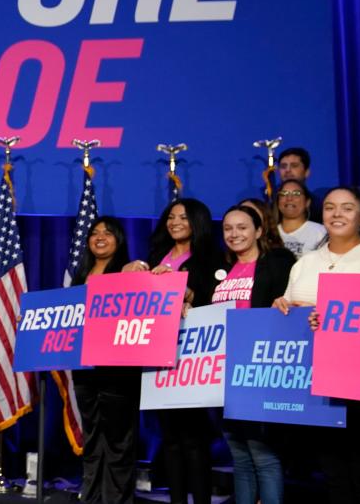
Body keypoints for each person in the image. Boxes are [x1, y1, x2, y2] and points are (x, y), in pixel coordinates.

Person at [276, 186, 360, 504]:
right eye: (330, 207)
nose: (337, 214)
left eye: (347, 208)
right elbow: (289, 304)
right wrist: (283, 308)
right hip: (312, 379)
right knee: (331, 470)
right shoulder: (306, 262)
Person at [123, 198, 219, 504]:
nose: (175, 222)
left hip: (192, 356)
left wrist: (188, 292)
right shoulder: (155, 257)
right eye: (171, 216)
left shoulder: (208, 258)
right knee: (171, 439)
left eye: (183, 217)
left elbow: (212, 299)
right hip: (158, 355)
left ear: (197, 222)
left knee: (194, 439)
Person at [214, 205, 295, 504]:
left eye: (242, 227)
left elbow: (289, 304)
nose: (234, 234)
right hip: (222, 372)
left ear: (259, 231)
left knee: (263, 455)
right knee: (239, 455)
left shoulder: (276, 263)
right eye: (228, 228)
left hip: (259, 370)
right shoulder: (220, 271)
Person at [70, 217, 138, 504]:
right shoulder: (80, 274)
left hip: (118, 370)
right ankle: (91, 496)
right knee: (93, 439)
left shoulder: (129, 271)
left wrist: (134, 274)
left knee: (118, 442)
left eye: (107, 233)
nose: (100, 237)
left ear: (119, 239)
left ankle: (117, 499)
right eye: (94, 233)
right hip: (85, 370)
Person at [275, 179, 326, 257]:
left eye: (296, 193)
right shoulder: (269, 232)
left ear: (307, 202)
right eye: (284, 193)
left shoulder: (321, 233)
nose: (289, 198)